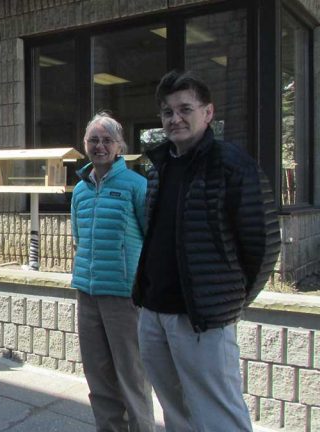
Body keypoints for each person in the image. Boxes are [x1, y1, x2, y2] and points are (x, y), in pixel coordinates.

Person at [134, 70, 280, 431]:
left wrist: (227, 301)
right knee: (175, 411)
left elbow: (262, 247)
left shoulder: (232, 165)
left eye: (185, 108)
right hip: (153, 313)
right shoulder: (159, 167)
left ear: (208, 112)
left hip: (200, 318)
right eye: (167, 112)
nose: (175, 118)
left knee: (219, 414)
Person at [71, 112, 155, 432]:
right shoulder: (80, 191)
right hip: (88, 294)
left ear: (119, 146)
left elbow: (151, 238)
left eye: (107, 140)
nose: (100, 146)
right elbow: (79, 239)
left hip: (124, 296)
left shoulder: (136, 185)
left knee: (132, 377)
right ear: (84, 145)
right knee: (98, 377)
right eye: (93, 140)